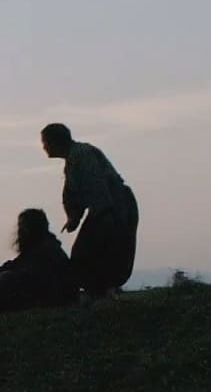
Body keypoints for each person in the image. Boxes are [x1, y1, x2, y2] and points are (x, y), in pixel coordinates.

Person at [41, 122, 139, 300]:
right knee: (89, 253)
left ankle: (103, 292)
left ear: (54, 142)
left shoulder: (82, 154)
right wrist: (74, 218)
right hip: (105, 209)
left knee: (94, 252)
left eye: (45, 142)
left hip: (114, 207)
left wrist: (105, 215)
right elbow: (74, 195)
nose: (44, 147)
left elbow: (97, 185)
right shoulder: (73, 160)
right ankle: (99, 292)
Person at [0, 208, 80, 316]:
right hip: (47, 300)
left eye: (22, 228)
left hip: (52, 302)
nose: (19, 233)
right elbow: (13, 265)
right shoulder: (35, 250)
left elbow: (28, 277)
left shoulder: (48, 252)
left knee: (6, 280)